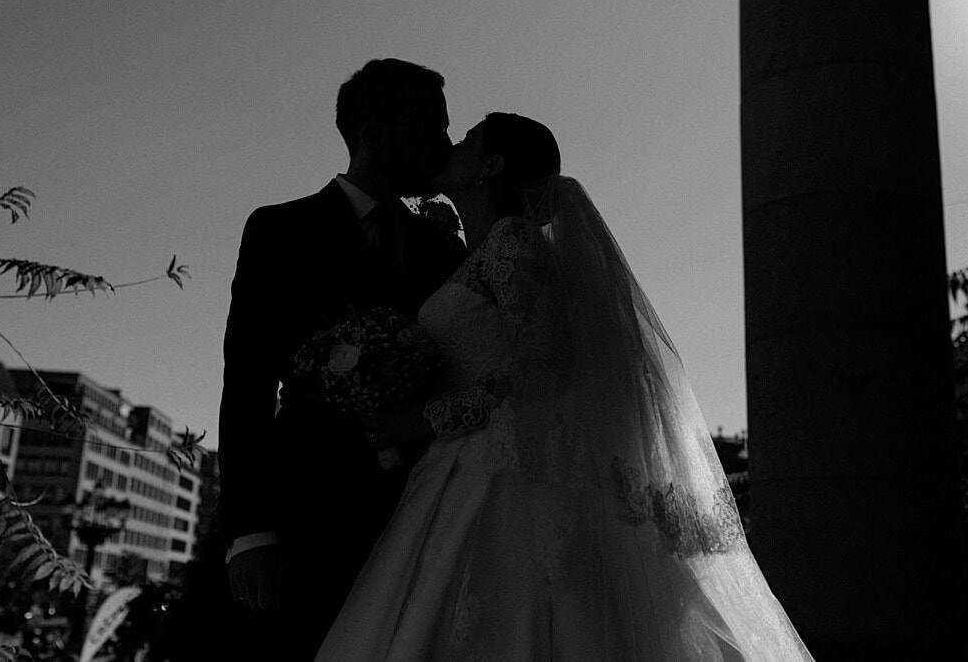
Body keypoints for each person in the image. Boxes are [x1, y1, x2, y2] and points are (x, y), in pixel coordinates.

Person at [318, 113, 816, 659]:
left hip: (498, 474)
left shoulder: (510, 242)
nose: (452, 142)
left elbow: (545, 368)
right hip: (461, 465)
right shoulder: (480, 253)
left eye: (468, 138)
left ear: (492, 165)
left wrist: (425, 418)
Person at [218, 58, 466, 658]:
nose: (448, 144)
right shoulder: (280, 229)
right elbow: (247, 381)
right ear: (375, 136)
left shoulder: (445, 248)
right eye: (432, 129)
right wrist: (250, 531)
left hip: (429, 514)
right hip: (309, 518)